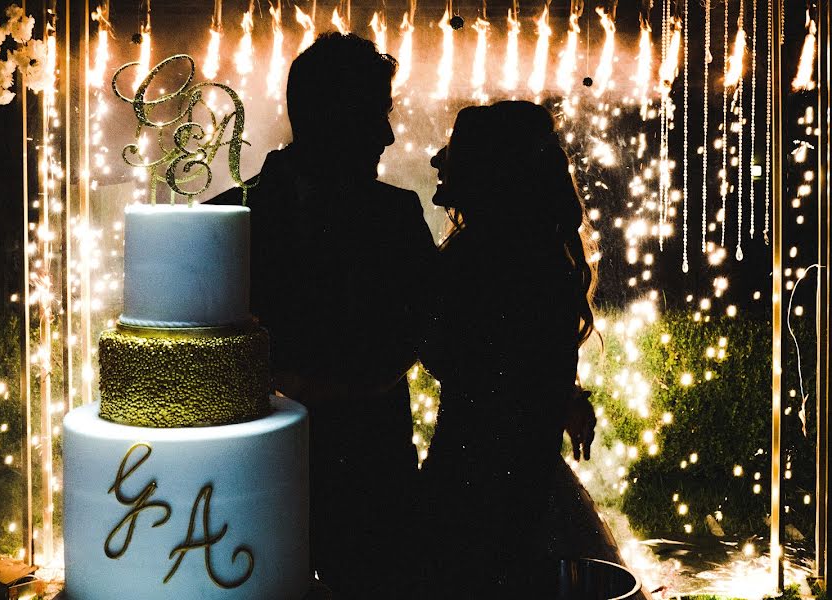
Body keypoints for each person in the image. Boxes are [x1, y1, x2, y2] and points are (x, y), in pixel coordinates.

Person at [210, 33, 436, 597]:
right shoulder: (227, 221)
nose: (387, 135)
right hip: (259, 485)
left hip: (371, 488)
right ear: (332, 116)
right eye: (375, 115)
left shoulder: (396, 214)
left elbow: (428, 332)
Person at [419, 101, 599, 597]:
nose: (438, 159)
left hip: (470, 485)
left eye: (454, 150)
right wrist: (564, 394)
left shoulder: (474, 265)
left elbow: (488, 370)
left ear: (488, 170)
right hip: (526, 480)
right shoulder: (540, 262)